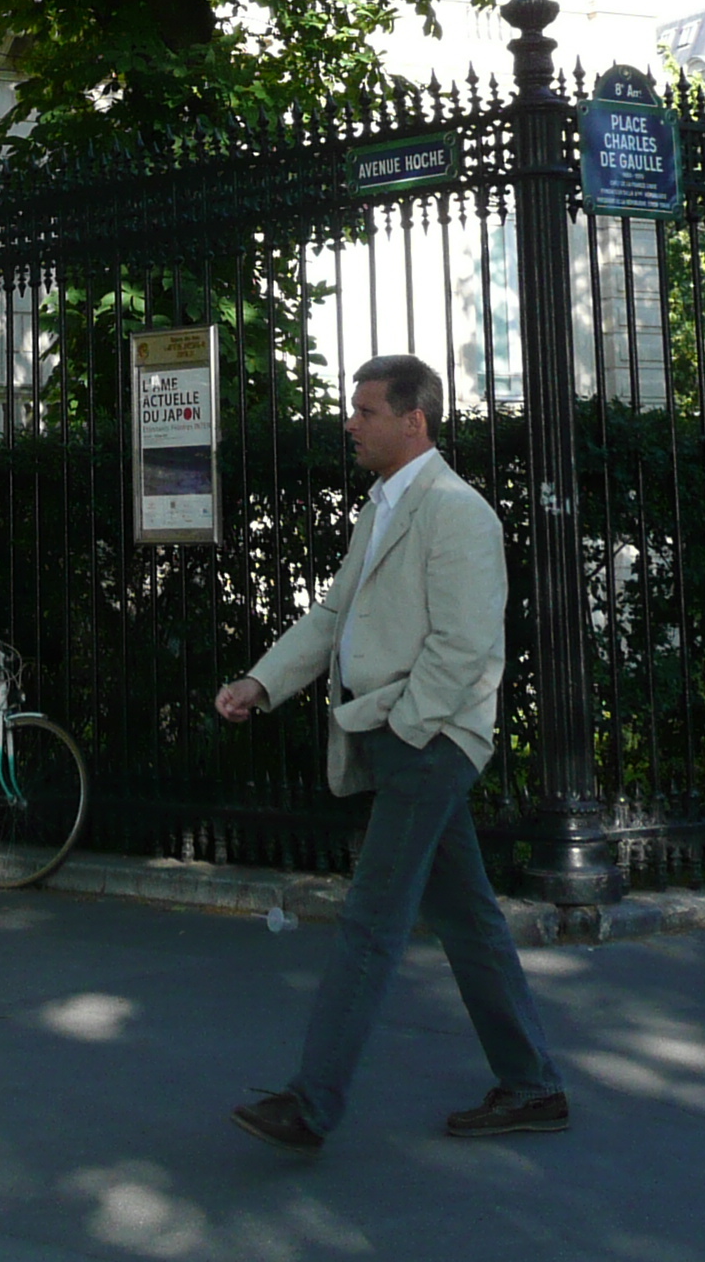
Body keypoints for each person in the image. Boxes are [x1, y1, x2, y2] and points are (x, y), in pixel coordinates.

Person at [214, 355, 566, 1155]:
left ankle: (311, 1104)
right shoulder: (383, 508)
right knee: (469, 919)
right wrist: (260, 683)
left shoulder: (456, 511)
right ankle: (534, 1085)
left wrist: (410, 729)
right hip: (405, 737)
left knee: (372, 921)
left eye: (365, 409)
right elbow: (335, 614)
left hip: (429, 743)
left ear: (415, 420)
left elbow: (467, 644)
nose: (351, 421)